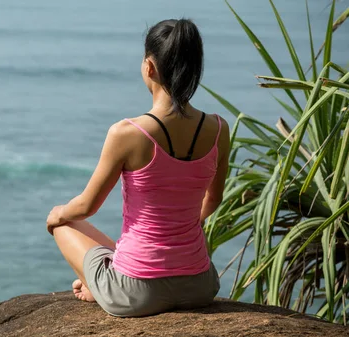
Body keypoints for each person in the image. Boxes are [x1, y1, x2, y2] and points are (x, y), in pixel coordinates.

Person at [46, 18, 230, 317]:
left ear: (149, 67)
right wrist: (177, 231)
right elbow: (214, 199)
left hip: (136, 293)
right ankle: (101, 282)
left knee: (64, 223)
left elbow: (86, 207)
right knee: (119, 246)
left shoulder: (128, 133)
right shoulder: (219, 129)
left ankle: (98, 287)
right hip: (200, 286)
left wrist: (57, 213)